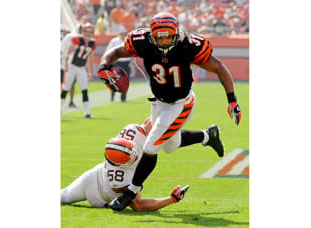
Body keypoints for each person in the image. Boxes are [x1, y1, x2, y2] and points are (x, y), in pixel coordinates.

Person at [97, 12, 242, 211]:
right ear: (151, 36)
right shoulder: (143, 43)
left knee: (151, 146)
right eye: (159, 37)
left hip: (181, 103)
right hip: (158, 103)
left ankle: (130, 193)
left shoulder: (188, 46)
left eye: (168, 36)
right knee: (169, 145)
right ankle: (208, 136)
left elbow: (218, 67)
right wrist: (104, 66)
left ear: (176, 33)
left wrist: (232, 100)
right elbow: (115, 52)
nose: (164, 41)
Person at [60, 119, 190, 211]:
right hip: (101, 198)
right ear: (124, 163)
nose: (136, 156)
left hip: (92, 176)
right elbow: (139, 205)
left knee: (62, 196)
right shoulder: (122, 179)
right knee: (62, 197)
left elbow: (150, 122)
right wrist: (171, 199)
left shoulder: (131, 131)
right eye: (132, 157)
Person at [61, 23, 96, 118]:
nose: (88, 34)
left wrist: (90, 72)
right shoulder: (77, 39)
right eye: (86, 31)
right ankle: (60, 108)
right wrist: (66, 66)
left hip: (81, 68)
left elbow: (90, 58)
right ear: (83, 31)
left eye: (90, 32)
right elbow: (68, 52)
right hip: (72, 67)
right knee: (66, 88)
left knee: (84, 89)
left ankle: (87, 112)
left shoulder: (92, 43)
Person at [104, 27, 132, 102]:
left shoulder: (129, 41)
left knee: (125, 81)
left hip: (126, 63)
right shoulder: (114, 41)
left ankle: (123, 97)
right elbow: (108, 51)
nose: (123, 35)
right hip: (117, 63)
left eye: (124, 33)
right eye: (122, 33)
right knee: (114, 80)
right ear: (119, 34)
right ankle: (112, 96)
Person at [61, 24, 80, 108]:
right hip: (65, 64)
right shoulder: (70, 37)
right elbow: (64, 50)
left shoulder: (72, 37)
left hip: (69, 64)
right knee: (67, 84)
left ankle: (70, 101)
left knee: (70, 84)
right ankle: (68, 101)